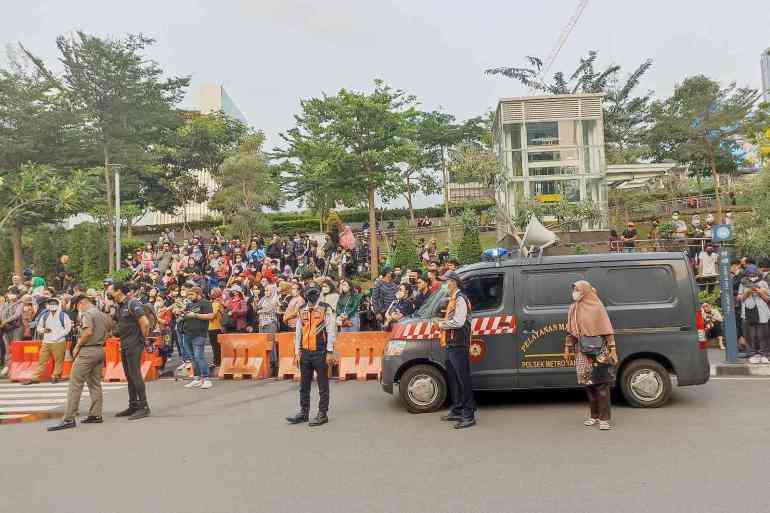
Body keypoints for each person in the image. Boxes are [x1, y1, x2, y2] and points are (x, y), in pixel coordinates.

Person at [47, 295, 110, 431]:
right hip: (100, 349)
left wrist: (77, 346)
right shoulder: (102, 314)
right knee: (95, 383)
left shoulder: (88, 314)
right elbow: (109, 330)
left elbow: (87, 332)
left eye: (77, 307)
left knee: (75, 383)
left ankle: (69, 417)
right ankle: (95, 414)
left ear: (82, 303)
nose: (78, 310)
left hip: (87, 351)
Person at [563, 281, 619, 431]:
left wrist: (613, 349)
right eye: (574, 289)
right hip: (582, 350)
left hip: (599, 350)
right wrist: (567, 348)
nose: (574, 292)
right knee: (589, 384)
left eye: (577, 289)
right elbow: (570, 331)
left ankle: (604, 419)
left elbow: (607, 329)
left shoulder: (597, 307)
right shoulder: (573, 308)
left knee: (602, 384)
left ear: (585, 291)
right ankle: (594, 416)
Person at [286, 285, 337, 427]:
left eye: (315, 294)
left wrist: (330, 351)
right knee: (304, 384)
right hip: (305, 352)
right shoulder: (301, 309)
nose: (313, 297)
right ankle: (304, 412)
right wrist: (297, 352)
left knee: (323, 384)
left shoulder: (325, 308)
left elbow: (331, 330)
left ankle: (322, 413)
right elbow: (298, 333)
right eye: (310, 294)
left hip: (321, 351)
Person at [432, 271, 475, 429]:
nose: (444, 284)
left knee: (463, 379)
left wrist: (440, 325)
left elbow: (458, 322)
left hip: (458, 343)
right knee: (454, 379)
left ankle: (469, 414)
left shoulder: (461, 299)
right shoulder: (453, 299)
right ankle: (458, 408)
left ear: (454, 282)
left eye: (446, 281)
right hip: (451, 343)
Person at [112, 282, 152, 420]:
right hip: (125, 344)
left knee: (135, 375)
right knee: (129, 376)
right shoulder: (120, 306)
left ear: (118, 291)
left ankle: (144, 407)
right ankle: (133, 405)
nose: (109, 293)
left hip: (134, 344)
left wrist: (142, 339)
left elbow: (145, 323)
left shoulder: (132, 303)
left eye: (110, 290)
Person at [23, 298, 73, 385]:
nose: (52, 306)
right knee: (42, 360)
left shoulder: (63, 315)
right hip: (46, 341)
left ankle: (55, 376)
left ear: (57, 305)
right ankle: (36, 377)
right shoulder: (45, 315)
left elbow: (68, 328)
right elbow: (39, 327)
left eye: (54, 304)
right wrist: (44, 330)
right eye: (50, 304)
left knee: (59, 360)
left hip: (59, 341)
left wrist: (59, 336)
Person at [181, 286, 215, 389]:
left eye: (191, 294)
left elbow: (210, 316)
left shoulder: (206, 303)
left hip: (199, 334)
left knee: (199, 356)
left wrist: (195, 315)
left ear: (198, 293)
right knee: (192, 358)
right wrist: (181, 312)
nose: (189, 297)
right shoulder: (189, 304)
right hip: (187, 333)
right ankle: (197, 379)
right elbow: (185, 315)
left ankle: (206, 379)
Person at [738, 266, 770, 364]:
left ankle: (764, 354)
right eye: (750, 275)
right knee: (750, 335)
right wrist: (747, 293)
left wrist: (760, 292)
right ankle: (752, 354)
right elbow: (739, 299)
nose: (752, 277)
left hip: (762, 312)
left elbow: (768, 299)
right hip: (748, 312)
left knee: (763, 335)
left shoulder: (763, 283)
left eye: (754, 274)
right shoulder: (743, 283)